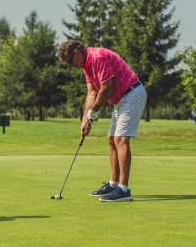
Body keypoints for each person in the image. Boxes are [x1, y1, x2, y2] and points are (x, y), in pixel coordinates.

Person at [57, 39, 147, 202]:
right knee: (111, 139)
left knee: (121, 139)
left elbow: (107, 88)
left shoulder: (97, 57)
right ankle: (113, 184)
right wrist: (85, 120)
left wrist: (93, 113)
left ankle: (124, 190)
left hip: (132, 93)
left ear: (77, 53)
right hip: (121, 100)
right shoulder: (86, 65)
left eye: (70, 61)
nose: (71, 65)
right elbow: (92, 93)